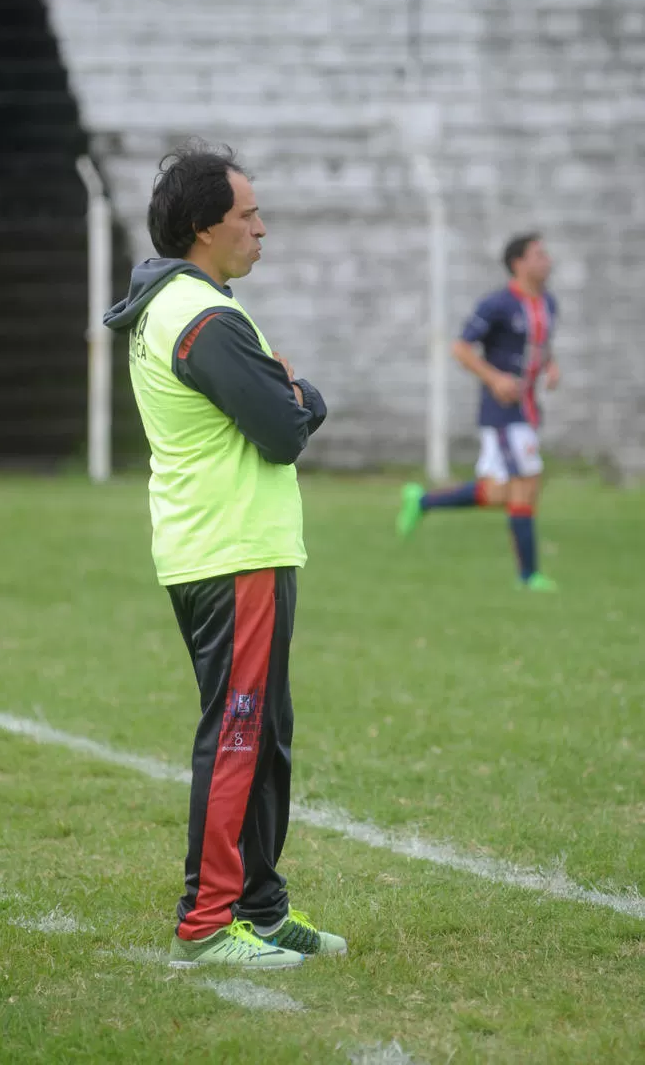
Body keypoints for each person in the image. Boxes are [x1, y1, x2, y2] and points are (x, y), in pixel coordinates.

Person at [105, 143, 346, 969]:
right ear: (206, 226)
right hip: (231, 551)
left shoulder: (185, 304)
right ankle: (208, 920)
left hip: (226, 548)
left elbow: (271, 410)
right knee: (239, 735)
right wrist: (307, 395)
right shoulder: (203, 317)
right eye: (248, 215)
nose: (261, 229)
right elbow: (283, 428)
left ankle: (262, 907)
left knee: (264, 732)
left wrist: (286, 394)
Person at [397, 233, 561, 591]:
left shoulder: (548, 303)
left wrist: (551, 367)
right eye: (538, 255)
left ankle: (422, 500)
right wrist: (494, 377)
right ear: (518, 263)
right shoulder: (498, 304)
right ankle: (529, 576)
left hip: (529, 411)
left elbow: (541, 348)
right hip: (504, 413)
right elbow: (460, 347)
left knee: (501, 492)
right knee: (526, 485)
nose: (546, 260)